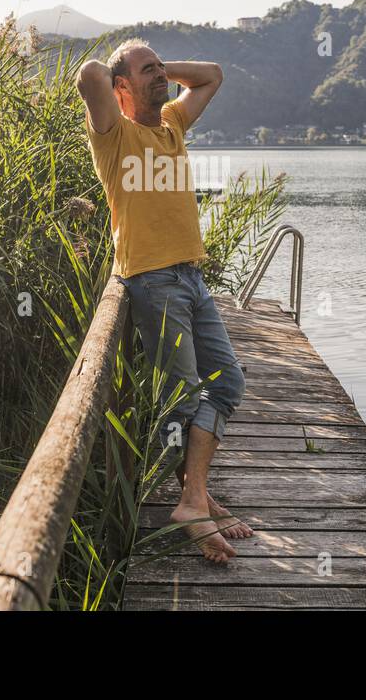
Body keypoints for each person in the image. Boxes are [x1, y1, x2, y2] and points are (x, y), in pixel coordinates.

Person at [76, 38, 250, 563]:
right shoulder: (114, 134)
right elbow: (88, 75)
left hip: (192, 279)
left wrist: (156, 68)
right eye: (146, 71)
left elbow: (213, 75)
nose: (162, 77)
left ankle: (194, 497)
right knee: (185, 398)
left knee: (227, 383)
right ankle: (192, 503)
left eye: (162, 70)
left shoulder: (172, 122)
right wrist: (125, 72)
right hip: (153, 282)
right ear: (122, 86)